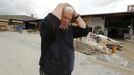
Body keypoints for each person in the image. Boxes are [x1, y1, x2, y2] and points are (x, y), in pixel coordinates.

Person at [39, 3, 91, 75]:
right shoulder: (50, 29)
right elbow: (47, 23)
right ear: (59, 16)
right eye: (64, 17)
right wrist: (61, 5)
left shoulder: (70, 30)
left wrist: (75, 13)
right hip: (49, 72)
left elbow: (85, 30)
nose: (66, 21)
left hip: (67, 72)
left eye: (69, 19)